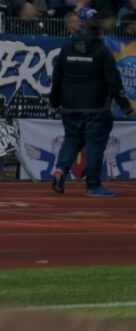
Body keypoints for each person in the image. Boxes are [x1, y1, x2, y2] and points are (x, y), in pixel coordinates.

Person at [48, 18, 134, 197]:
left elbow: (57, 78)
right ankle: (93, 185)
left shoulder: (67, 49)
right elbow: (114, 81)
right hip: (96, 107)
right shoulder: (103, 51)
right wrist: (125, 106)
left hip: (70, 105)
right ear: (101, 34)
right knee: (95, 145)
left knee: (72, 140)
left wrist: (54, 103)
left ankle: (60, 169)